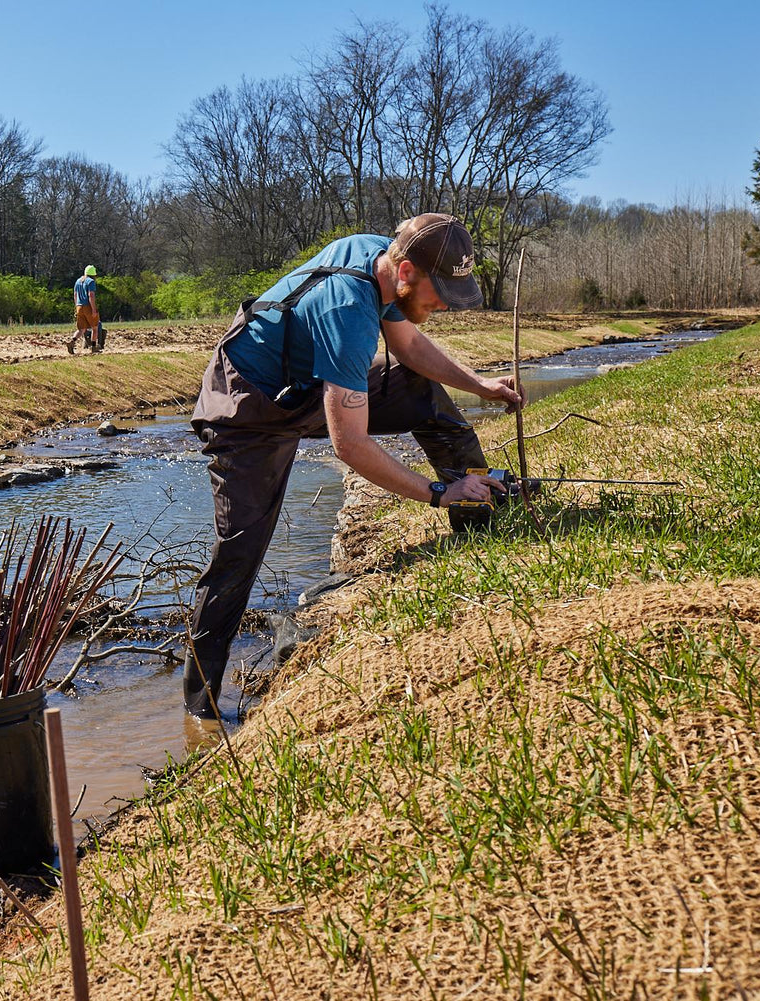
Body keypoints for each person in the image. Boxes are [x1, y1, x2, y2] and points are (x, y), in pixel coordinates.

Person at [182, 213, 524, 718]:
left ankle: (480, 513)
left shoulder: (381, 255)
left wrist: (480, 386)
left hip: (300, 386)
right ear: (406, 271)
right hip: (245, 408)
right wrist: (432, 492)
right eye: (441, 295)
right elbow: (351, 447)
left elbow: (407, 347)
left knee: (418, 387)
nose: (443, 307)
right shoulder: (348, 311)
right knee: (241, 550)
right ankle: (200, 709)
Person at [67, 265, 101, 354]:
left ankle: (72, 342)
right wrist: (93, 309)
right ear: (93, 274)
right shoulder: (91, 282)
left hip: (79, 306)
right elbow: (91, 295)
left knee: (81, 329)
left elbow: (75, 295)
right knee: (95, 328)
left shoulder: (78, 281)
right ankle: (94, 347)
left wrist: (76, 307)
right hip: (88, 306)